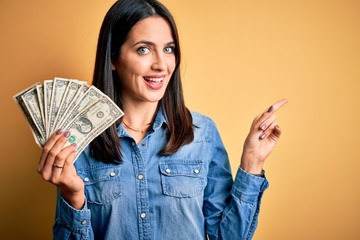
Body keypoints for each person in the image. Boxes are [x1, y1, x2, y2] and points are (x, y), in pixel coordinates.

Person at [37, 0, 287, 239]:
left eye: (168, 49)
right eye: (143, 49)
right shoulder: (79, 143)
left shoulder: (202, 133)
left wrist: (253, 162)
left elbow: (229, 236)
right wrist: (73, 197)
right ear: (113, 58)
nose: (161, 64)